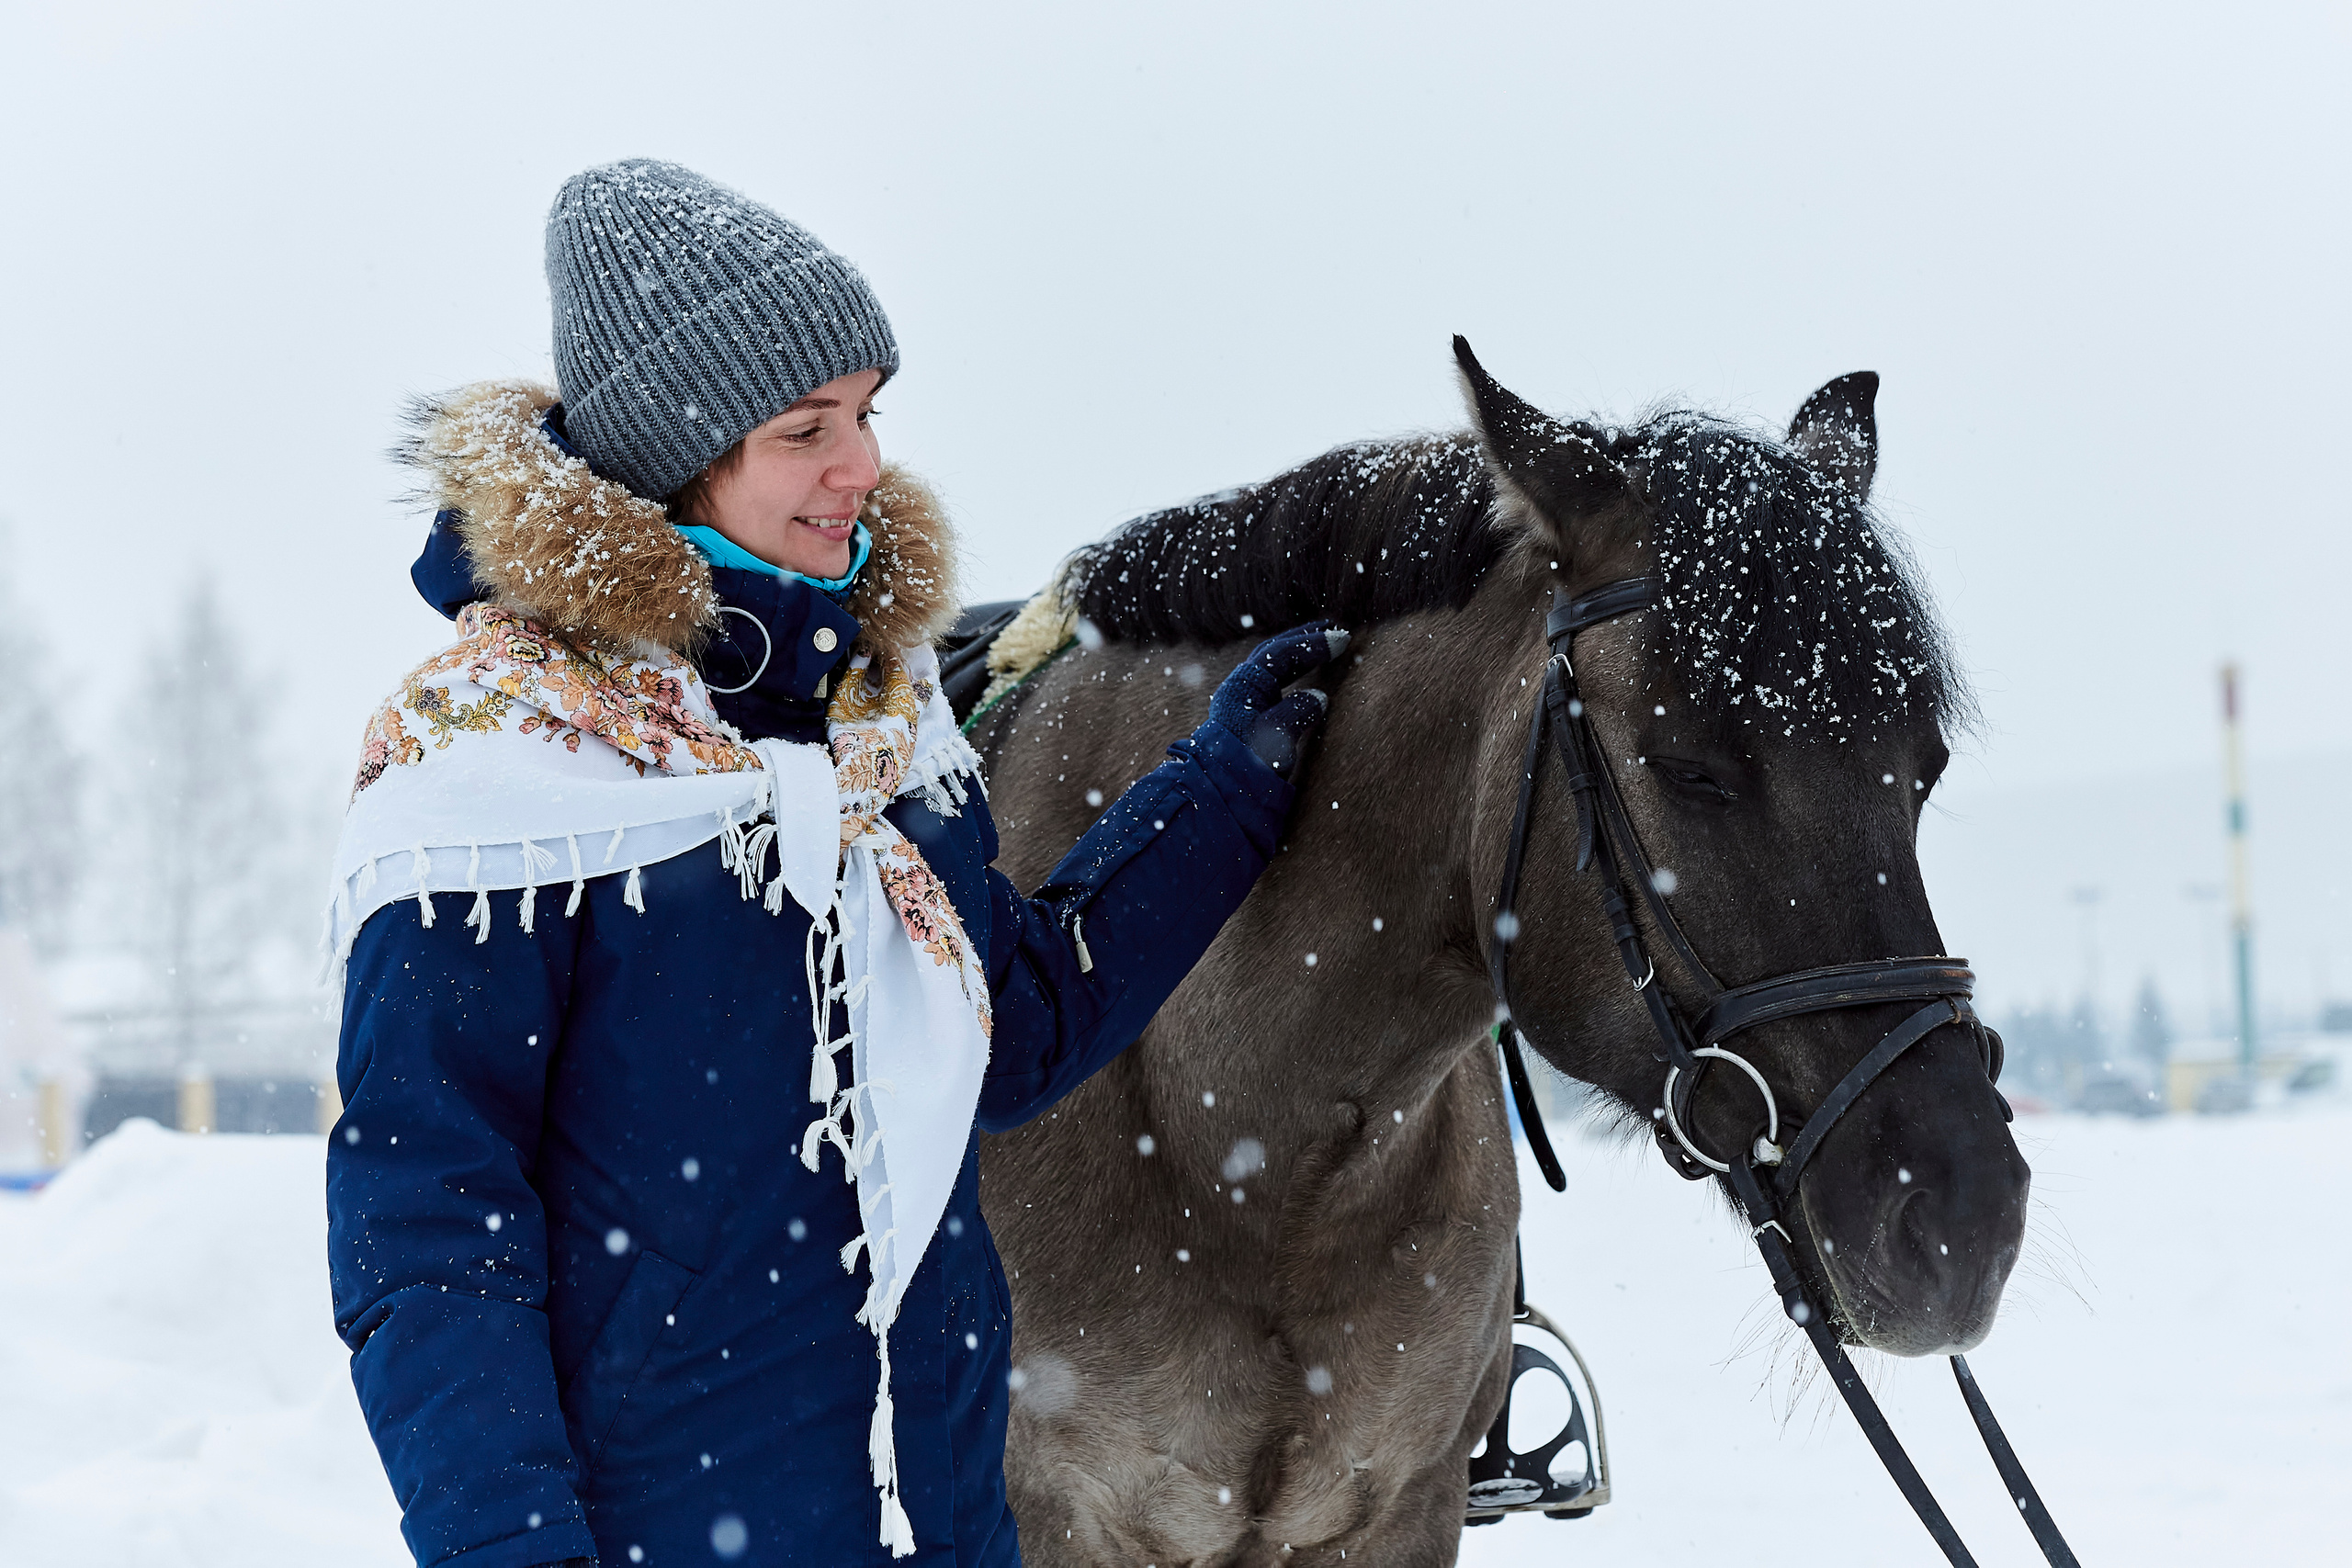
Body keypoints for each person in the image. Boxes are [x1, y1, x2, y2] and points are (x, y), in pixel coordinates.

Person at [323, 158, 1340, 1568]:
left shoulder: (876, 716)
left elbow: (1003, 1028)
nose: (862, 465)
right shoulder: (496, 764)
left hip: (937, 1525)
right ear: (681, 456)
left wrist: (1223, 797)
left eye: (865, 414)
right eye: (809, 428)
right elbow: (429, 1221)